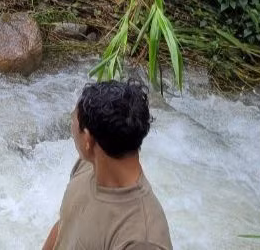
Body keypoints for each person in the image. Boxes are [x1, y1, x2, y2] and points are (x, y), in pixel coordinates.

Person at [42, 79, 172, 250]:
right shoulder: (89, 164)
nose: (71, 126)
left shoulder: (142, 240)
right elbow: (65, 225)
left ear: (87, 139)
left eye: (73, 120)